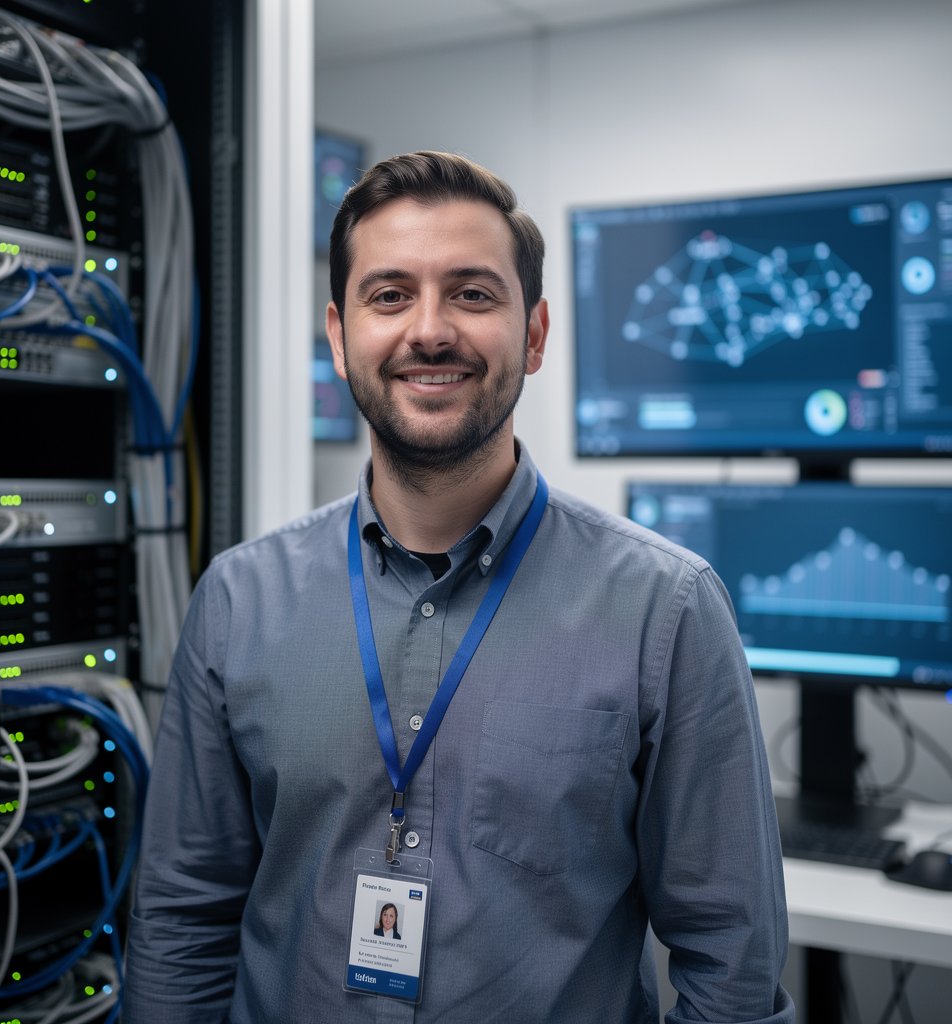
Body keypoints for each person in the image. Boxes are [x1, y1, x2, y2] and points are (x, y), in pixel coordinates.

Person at [122, 150, 795, 1023]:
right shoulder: (238, 602)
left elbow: (731, 969)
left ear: (537, 333)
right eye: (389, 294)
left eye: (473, 294)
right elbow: (182, 923)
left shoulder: (663, 610)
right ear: (338, 335)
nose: (429, 330)